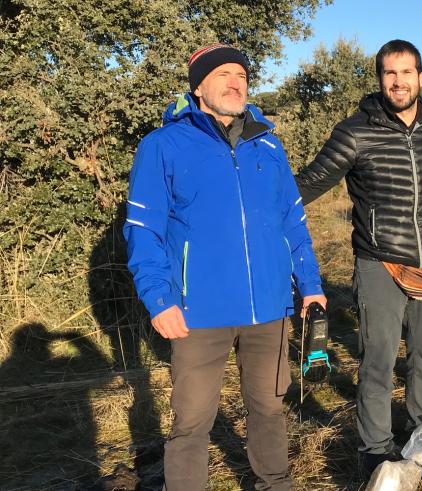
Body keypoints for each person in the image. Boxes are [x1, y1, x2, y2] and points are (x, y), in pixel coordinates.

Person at [123, 43, 327, 490]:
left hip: (270, 307)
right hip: (200, 312)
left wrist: (309, 284)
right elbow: (143, 229)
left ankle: (274, 483)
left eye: (242, 76)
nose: (237, 83)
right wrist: (159, 299)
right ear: (199, 87)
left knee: (270, 407)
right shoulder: (163, 146)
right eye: (223, 75)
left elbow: (292, 219)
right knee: (193, 419)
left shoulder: (267, 145)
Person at [293, 39, 422, 475]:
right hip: (379, 263)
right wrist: (256, 203)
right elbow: (309, 184)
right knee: (378, 359)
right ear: (380, 79)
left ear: (420, 77)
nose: (398, 81)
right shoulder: (355, 131)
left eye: (406, 72)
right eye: (390, 73)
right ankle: (374, 448)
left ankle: (421, 429)